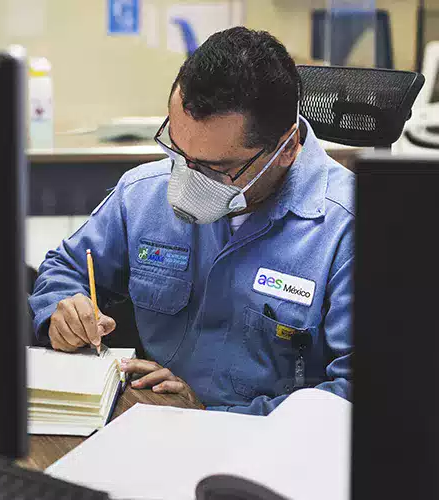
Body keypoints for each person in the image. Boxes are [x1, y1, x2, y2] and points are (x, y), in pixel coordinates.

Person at [29, 27, 354, 415]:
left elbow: (355, 392)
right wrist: (61, 310)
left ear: (285, 150)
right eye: (178, 151)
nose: (185, 181)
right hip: (143, 427)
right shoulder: (142, 193)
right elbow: (64, 269)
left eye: (216, 169)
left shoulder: (349, 230)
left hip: (270, 454)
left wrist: (208, 418)